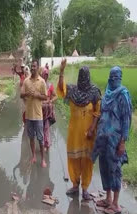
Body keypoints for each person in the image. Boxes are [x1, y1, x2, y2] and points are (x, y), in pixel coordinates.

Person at [57, 59, 101, 200]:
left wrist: (92, 128)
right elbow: (61, 89)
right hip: (74, 133)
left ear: (88, 77)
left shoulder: (94, 92)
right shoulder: (72, 90)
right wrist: (62, 71)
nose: (83, 78)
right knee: (74, 159)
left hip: (88, 134)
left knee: (87, 161)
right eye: (81, 75)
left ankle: (85, 189)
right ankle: (75, 185)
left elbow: (97, 112)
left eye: (84, 75)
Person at [92, 66, 132, 214]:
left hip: (115, 141)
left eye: (116, 77)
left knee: (115, 170)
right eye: (112, 76)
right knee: (104, 168)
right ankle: (108, 198)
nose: (114, 79)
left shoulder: (123, 95)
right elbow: (101, 114)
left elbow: (126, 120)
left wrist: (123, 141)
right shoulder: (107, 94)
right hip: (103, 139)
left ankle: (116, 203)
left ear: (120, 78)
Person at [20, 59, 48, 168]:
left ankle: (43, 159)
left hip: (38, 115)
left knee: (40, 139)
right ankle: (33, 156)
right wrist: (28, 93)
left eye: (34, 66)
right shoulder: (26, 81)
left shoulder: (42, 81)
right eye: (31, 66)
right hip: (28, 116)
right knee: (31, 137)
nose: (32, 68)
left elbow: (45, 97)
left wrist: (36, 95)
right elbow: (21, 95)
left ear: (37, 67)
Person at [41, 68, 57, 151]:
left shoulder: (50, 85)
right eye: (44, 75)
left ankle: (46, 144)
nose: (45, 76)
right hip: (39, 110)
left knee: (46, 127)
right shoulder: (39, 84)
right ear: (42, 75)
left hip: (47, 110)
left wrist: (50, 100)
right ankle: (43, 143)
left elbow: (55, 96)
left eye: (47, 75)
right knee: (40, 127)